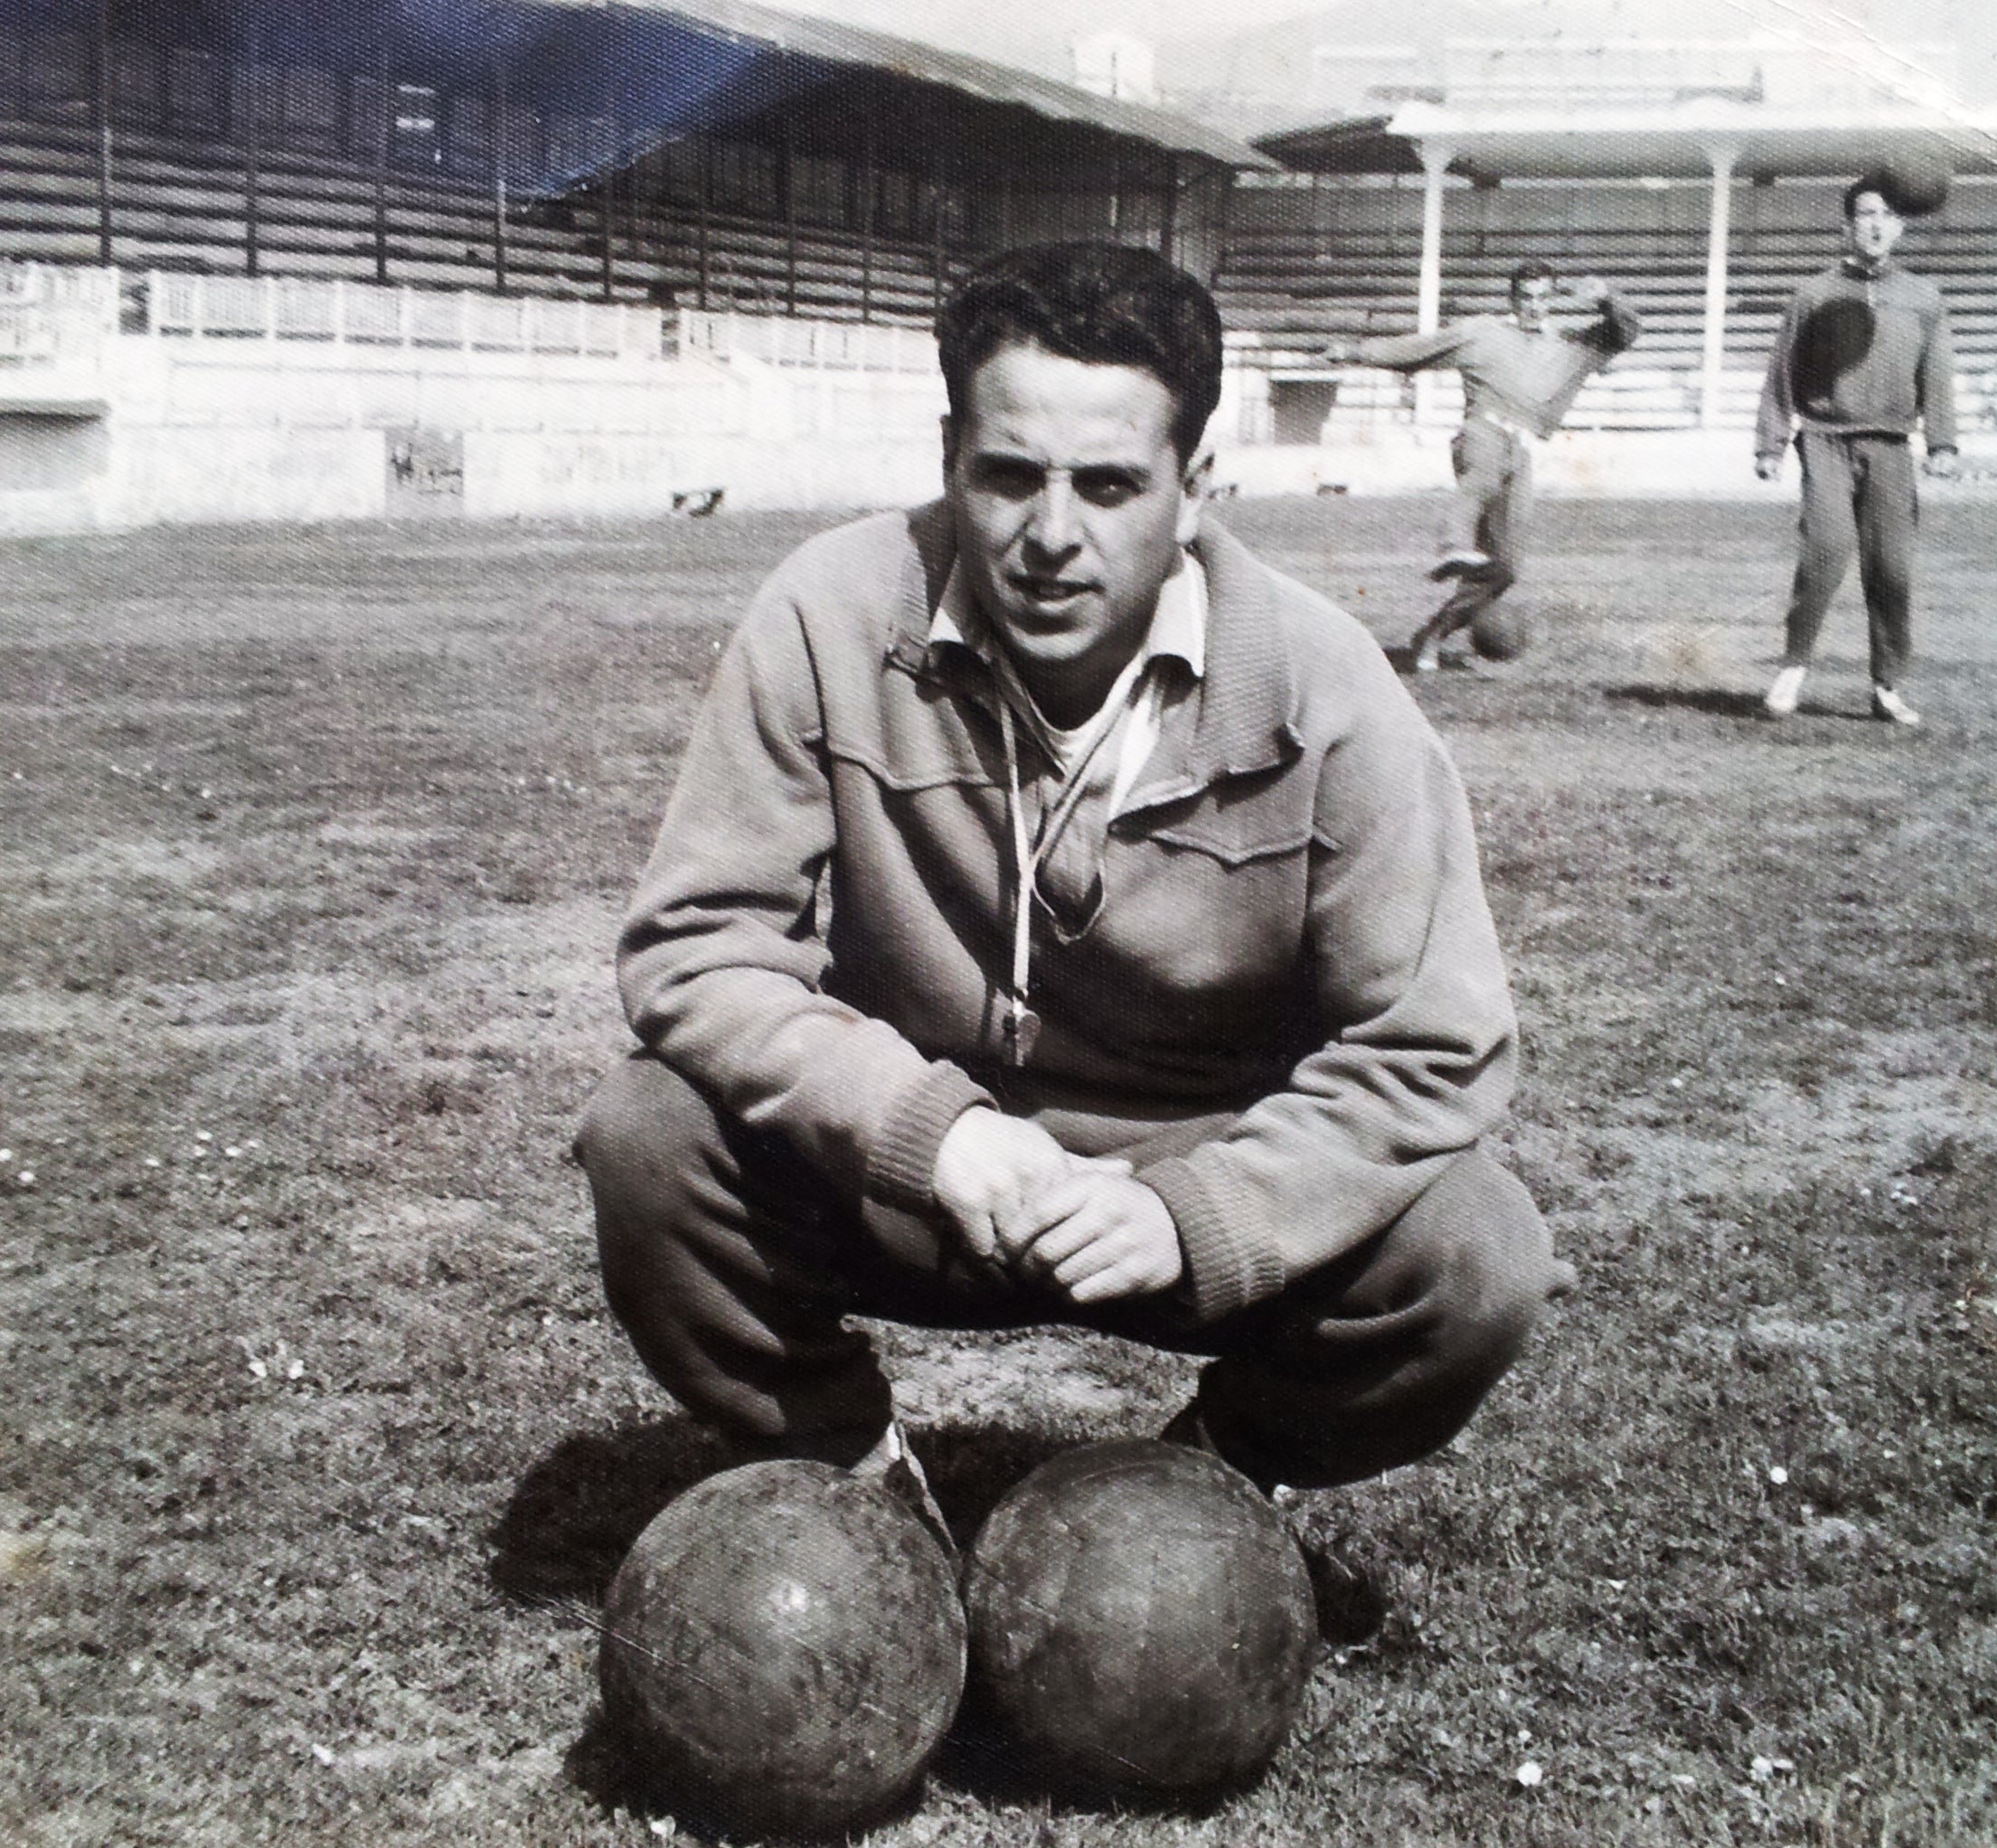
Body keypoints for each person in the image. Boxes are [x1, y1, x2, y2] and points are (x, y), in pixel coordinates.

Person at [573, 241, 1571, 1636]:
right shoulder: (828, 610)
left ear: (1193, 487)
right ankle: (860, 1495)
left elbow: (1433, 1042)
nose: (1053, 535)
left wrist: (1199, 1213)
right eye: (1007, 475)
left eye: (1108, 486)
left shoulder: (1324, 685)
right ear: (948, 455)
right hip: (914, 1168)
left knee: (1473, 1254)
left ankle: (1204, 1499)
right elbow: (696, 949)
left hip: (1193, 1172)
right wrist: (923, 1125)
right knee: (649, 1139)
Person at [1330, 260, 1642, 671]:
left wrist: (1605, 297)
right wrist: (1355, 353)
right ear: (1512, 299)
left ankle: (1433, 633)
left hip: (1521, 451)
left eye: (1543, 298)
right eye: (1525, 297)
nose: (1534, 306)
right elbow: (1418, 348)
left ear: (1553, 301)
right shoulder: (1482, 332)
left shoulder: (1571, 345)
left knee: (1506, 569)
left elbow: (1627, 330)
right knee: (1481, 477)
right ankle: (1453, 544)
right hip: (1481, 433)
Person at [1753, 174, 1964, 725]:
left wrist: (1942, 441)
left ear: (1899, 226)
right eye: (1866, 213)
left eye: (1887, 216)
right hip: (1825, 440)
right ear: (1848, 224)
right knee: (1825, 548)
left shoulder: (1924, 298)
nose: (1875, 225)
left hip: (1892, 447)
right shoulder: (1813, 294)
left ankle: (1887, 685)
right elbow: (1782, 372)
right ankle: (1794, 666)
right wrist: (1771, 443)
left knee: (1892, 569)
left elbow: (1937, 375)